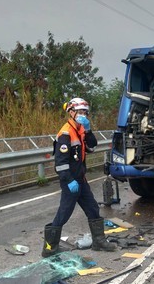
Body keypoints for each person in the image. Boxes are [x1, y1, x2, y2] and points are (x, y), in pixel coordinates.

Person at [42, 97, 116, 257]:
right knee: (64, 213)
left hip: (81, 179)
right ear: (71, 112)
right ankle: (49, 248)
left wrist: (88, 130)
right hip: (71, 181)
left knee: (93, 208)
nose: (83, 115)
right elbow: (60, 163)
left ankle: (99, 242)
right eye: (80, 112)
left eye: (85, 112)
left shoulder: (81, 130)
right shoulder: (65, 133)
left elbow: (92, 146)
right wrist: (68, 181)